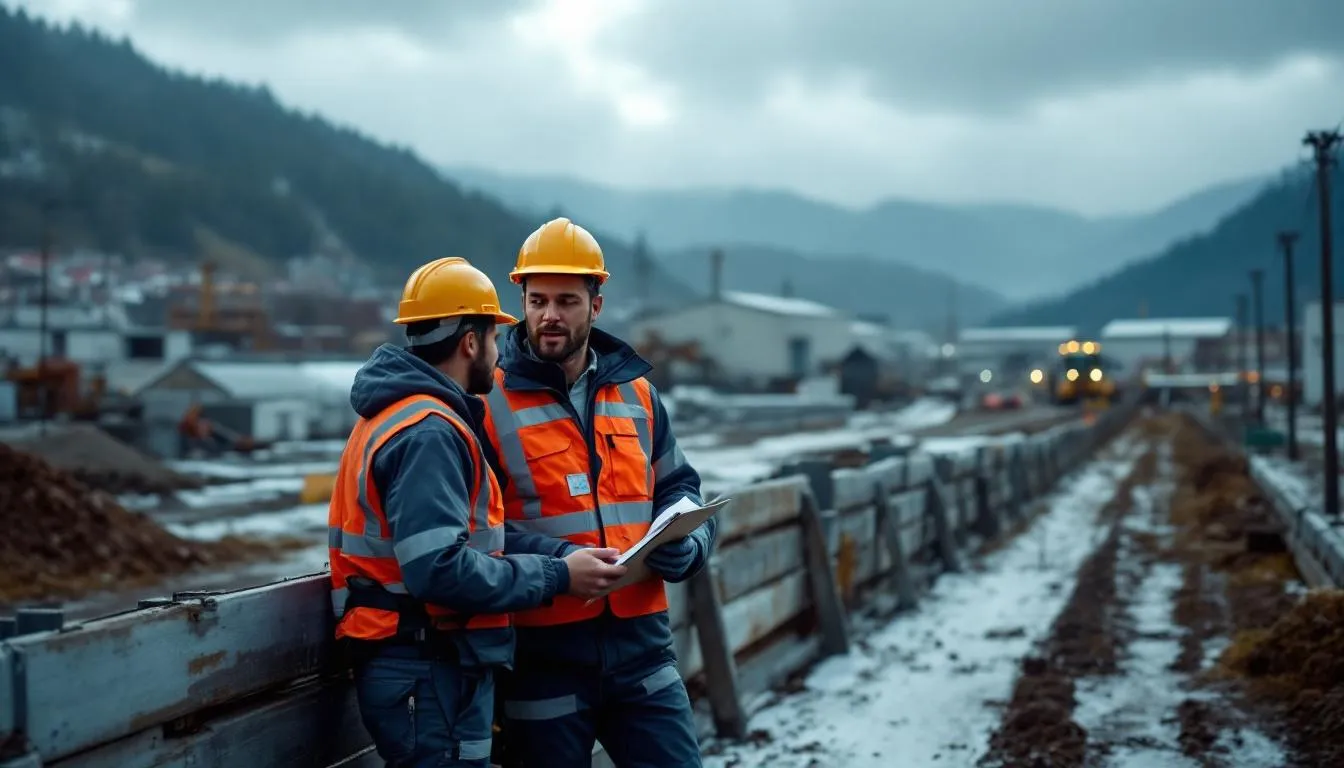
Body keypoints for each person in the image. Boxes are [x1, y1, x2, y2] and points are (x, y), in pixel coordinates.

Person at [327, 256, 628, 767]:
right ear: (470, 341)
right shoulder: (429, 432)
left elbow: (465, 543)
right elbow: (438, 569)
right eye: (492, 337)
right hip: (428, 666)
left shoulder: (403, 414)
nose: (498, 351)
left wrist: (556, 555)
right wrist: (556, 575)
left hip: (425, 664)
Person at [479, 218, 717, 767]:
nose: (550, 315)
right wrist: (562, 562)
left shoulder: (638, 395)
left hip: (643, 648)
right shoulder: (486, 402)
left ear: (597, 305)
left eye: (566, 300)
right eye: (537, 300)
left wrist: (689, 545)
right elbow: (477, 530)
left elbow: (683, 490)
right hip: (543, 654)